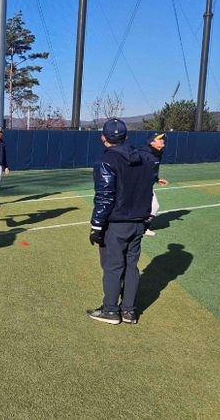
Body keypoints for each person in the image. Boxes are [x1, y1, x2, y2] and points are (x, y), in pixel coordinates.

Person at [87, 118, 155, 325]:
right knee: (131, 266)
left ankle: (110, 310)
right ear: (126, 137)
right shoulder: (144, 158)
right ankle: (128, 311)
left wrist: (96, 226)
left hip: (117, 223)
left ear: (103, 138)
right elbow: (148, 191)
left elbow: (105, 196)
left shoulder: (106, 160)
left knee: (113, 267)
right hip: (138, 221)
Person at [138, 132, 169, 236]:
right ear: (152, 143)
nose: (162, 140)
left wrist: (156, 179)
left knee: (153, 207)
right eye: (159, 139)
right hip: (139, 186)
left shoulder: (156, 153)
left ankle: (142, 228)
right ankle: (138, 228)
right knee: (152, 206)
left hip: (146, 185)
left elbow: (150, 171)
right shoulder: (144, 154)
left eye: (162, 138)